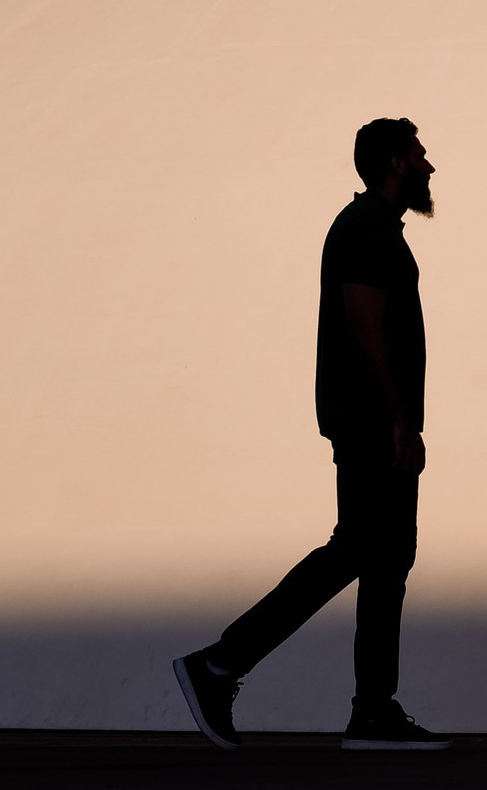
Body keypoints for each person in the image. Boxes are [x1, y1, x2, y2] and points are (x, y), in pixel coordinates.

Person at [172, 118, 449, 751]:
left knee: (382, 559)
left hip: (370, 420)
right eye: (421, 154)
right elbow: (363, 322)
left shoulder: (368, 228)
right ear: (396, 163)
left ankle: (371, 711)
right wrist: (402, 417)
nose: (431, 167)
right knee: (362, 552)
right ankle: (220, 664)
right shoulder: (370, 231)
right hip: (373, 423)